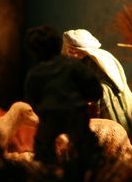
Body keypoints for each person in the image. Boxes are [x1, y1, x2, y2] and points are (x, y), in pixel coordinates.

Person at [24, 25, 102, 167]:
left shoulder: (35, 73)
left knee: (43, 148)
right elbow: (95, 89)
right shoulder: (74, 66)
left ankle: (48, 170)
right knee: (86, 146)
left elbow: (33, 98)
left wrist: (44, 109)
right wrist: (84, 101)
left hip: (50, 116)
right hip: (75, 113)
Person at [63, 28, 132, 140]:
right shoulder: (76, 62)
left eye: (74, 50)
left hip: (107, 101)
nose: (72, 53)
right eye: (70, 50)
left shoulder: (101, 60)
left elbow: (111, 84)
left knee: (112, 133)